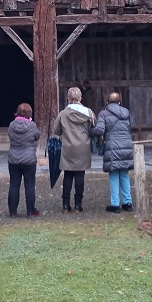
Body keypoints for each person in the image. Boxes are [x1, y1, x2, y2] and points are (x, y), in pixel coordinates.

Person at [52, 86, 96, 214]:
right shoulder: (89, 113)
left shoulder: (63, 114)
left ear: (68, 99)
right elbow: (94, 127)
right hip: (83, 147)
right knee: (80, 175)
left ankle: (65, 204)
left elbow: (57, 131)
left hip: (68, 147)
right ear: (80, 98)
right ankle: (78, 205)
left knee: (68, 175)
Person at [92, 92, 133, 213]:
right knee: (124, 174)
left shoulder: (104, 113)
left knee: (114, 174)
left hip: (113, 146)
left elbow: (99, 130)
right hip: (126, 145)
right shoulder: (126, 112)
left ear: (107, 102)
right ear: (119, 102)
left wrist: (90, 131)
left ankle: (115, 204)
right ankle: (127, 203)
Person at [7, 103, 41, 217]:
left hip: (13, 159)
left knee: (14, 185)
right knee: (30, 185)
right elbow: (37, 136)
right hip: (29, 159)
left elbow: (10, 135)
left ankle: (12, 211)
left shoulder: (11, 125)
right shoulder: (32, 125)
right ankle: (31, 211)